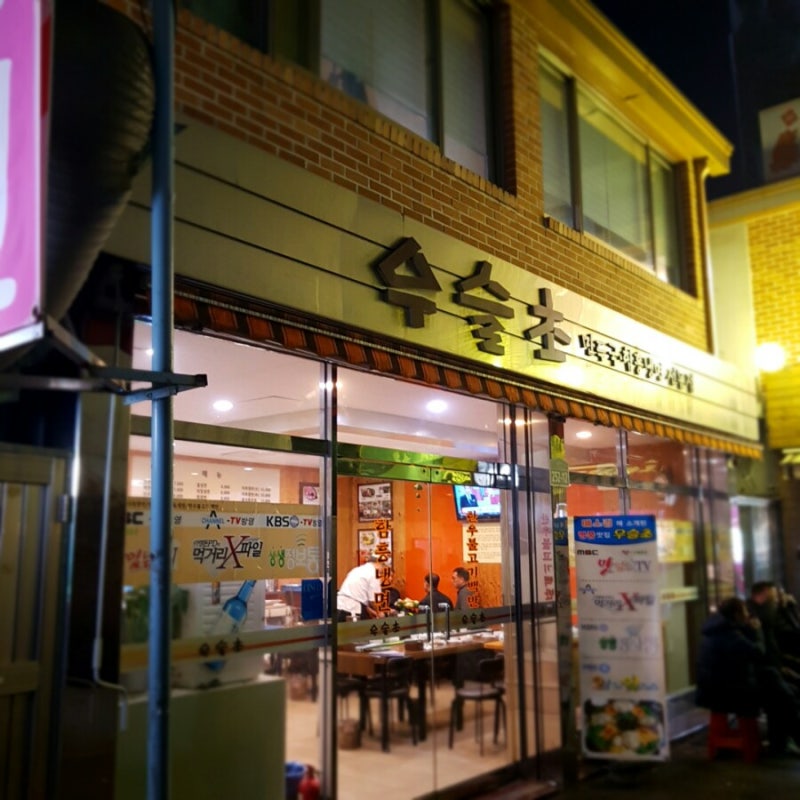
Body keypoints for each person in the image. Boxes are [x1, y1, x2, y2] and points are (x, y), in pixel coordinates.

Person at [695, 596, 763, 718]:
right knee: (750, 709)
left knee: (719, 714)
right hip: (728, 689)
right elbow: (758, 652)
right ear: (737, 615)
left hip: (713, 688)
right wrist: (756, 631)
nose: (747, 615)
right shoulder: (730, 635)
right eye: (745, 611)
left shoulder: (715, 630)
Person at [336, 554, 384, 621]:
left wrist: (368, 609)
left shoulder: (356, 570)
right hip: (351, 610)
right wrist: (380, 613)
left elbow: (356, 595)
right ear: (378, 563)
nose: (383, 569)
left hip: (338, 606)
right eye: (383, 565)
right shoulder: (374, 573)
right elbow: (374, 600)